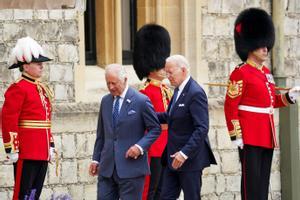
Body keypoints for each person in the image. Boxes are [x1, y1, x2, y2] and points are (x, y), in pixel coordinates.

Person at [224, 8, 300, 200]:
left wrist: (289, 97)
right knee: (251, 184)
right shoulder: (240, 72)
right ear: (250, 45)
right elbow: (230, 106)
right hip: (249, 135)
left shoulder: (265, 72)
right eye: (261, 45)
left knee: (263, 183)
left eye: (267, 44)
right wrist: (236, 135)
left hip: (266, 134)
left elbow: (271, 101)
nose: (266, 48)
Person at [89, 64, 161, 200]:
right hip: (107, 169)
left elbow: (155, 128)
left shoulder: (141, 101)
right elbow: (101, 134)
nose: (110, 87)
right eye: (108, 83)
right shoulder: (105, 101)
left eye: (114, 83)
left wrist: (139, 147)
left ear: (125, 80)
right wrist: (95, 159)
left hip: (131, 169)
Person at [1, 36, 56, 200]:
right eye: (37, 63)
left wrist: (50, 145)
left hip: (42, 151)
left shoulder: (41, 88)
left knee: (34, 194)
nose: (41, 65)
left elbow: (46, 121)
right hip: (27, 151)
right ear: (25, 66)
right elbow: (8, 120)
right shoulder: (18, 88)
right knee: (22, 194)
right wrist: (12, 149)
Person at [158, 55, 216, 200]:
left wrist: (184, 153)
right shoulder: (178, 90)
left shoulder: (195, 92)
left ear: (183, 70)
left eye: (170, 72)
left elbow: (202, 128)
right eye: (166, 72)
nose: (167, 76)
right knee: (165, 196)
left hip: (189, 159)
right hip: (172, 157)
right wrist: (146, 114)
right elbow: (170, 116)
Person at [133, 23, 172, 200]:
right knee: (151, 190)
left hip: (169, 145)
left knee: (166, 189)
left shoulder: (167, 90)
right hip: (154, 148)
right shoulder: (144, 92)